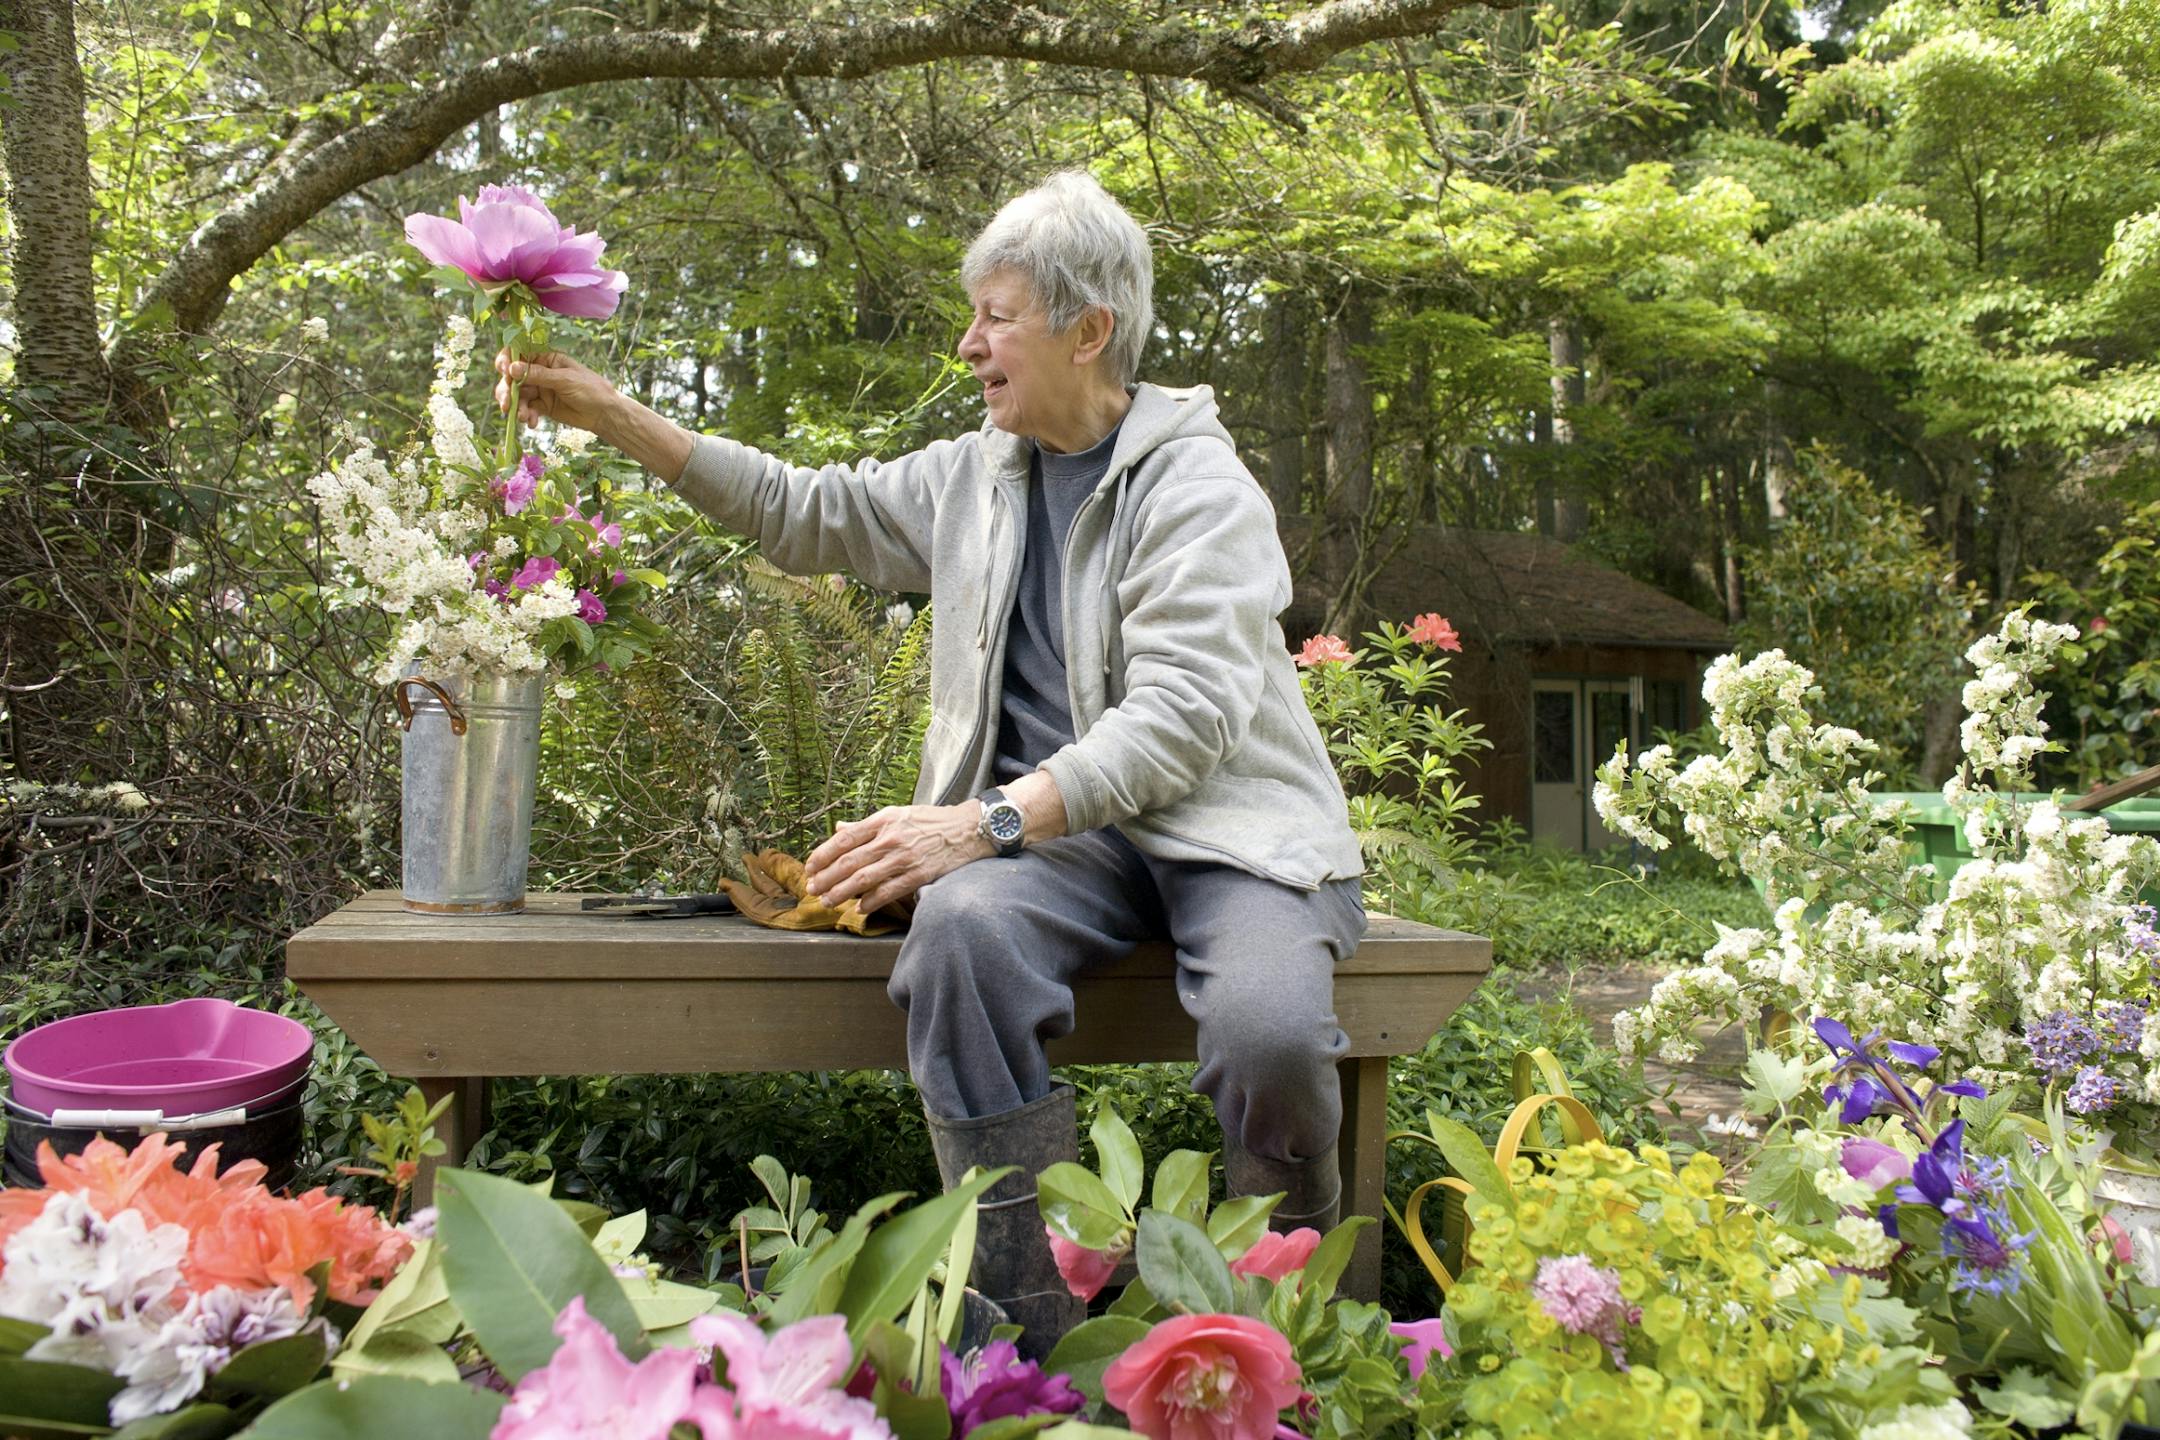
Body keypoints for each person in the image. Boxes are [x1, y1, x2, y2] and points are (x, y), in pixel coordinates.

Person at [495, 171, 1366, 1355]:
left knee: (1269, 1030)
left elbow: (1184, 719)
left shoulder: (1200, 486)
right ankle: (1028, 1335)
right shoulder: (978, 478)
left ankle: (1281, 1335)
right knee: (959, 938)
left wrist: (974, 827)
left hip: (1226, 832)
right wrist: (614, 417)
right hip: (1071, 845)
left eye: (995, 316)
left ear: (1089, 328)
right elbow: (804, 513)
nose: (969, 345)